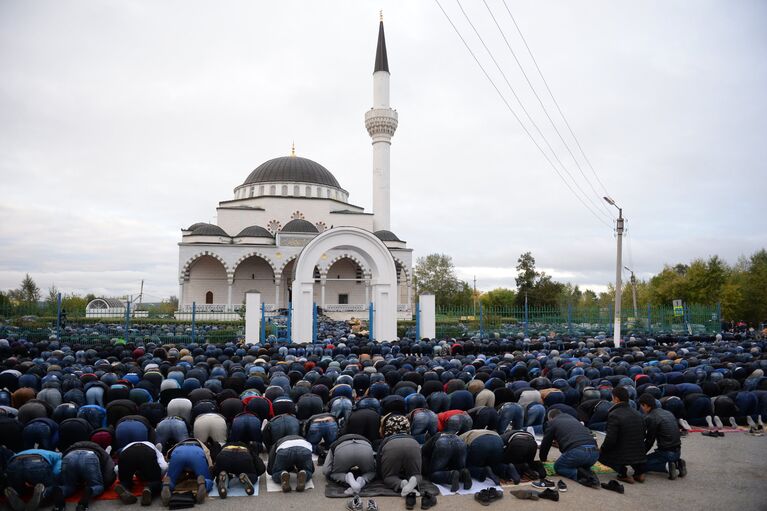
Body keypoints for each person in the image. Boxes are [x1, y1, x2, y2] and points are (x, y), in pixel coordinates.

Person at [599, 387, 647, 484]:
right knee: (631, 450)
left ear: (616, 399)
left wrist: (602, 449)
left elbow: (610, 439)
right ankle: (639, 473)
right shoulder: (637, 413)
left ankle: (623, 474)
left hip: (623, 454)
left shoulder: (614, 414)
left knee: (600, 454)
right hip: (640, 452)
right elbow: (643, 434)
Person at [638, 394, 686, 479]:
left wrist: (640, 455)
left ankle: (667, 467)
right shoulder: (668, 412)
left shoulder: (651, 417)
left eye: (641, 406)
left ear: (645, 405)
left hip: (666, 453)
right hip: (678, 450)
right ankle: (677, 463)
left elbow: (649, 441)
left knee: (640, 465)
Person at [60, 441, 116, 511]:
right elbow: (109, 468)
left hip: (69, 456)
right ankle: (86, 498)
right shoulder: (101, 450)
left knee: (68, 486)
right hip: (90, 457)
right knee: (98, 485)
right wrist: (106, 483)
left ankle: (58, 494)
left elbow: (61, 465)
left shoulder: (72, 447)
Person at [115, 440, 168, 506]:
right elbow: (164, 466)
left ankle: (124, 486)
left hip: (126, 454)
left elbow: (117, 469)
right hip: (146, 453)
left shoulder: (124, 448)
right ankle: (149, 488)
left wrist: (123, 478)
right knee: (155, 481)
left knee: (125, 481)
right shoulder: (154, 447)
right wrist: (158, 477)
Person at [164, 437, 213, 505]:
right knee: (208, 479)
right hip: (196, 454)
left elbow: (168, 458)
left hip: (178, 453)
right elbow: (210, 465)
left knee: (171, 479)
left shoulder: (178, 444)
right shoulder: (203, 447)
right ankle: (204, 484)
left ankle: (167, 485)